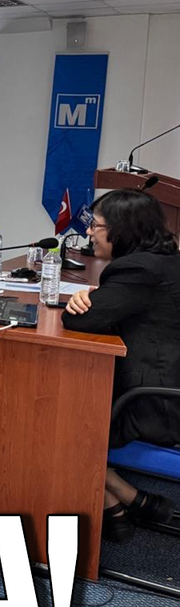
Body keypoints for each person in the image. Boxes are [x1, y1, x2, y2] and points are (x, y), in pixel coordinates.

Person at [61, 189, 179, 542]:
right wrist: (96, 295)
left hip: (154, 405)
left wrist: (84, 298)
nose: (88, 233)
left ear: (121, 229)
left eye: (95, 225)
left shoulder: (138, 269)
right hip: (167, 389)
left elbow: (80, 320)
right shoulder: (166, 261)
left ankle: (118, 501)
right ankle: (124, 500)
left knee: (52, 416)